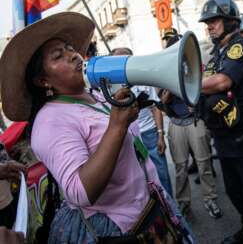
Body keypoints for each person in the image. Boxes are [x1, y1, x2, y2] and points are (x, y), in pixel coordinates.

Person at [0, 12, 195, 243]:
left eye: (70, 48)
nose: (72, 56)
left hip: (151, 205)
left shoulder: (96, 96)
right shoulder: (50, 120)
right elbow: (80, 192)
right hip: (121, 227)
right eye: (58, 56)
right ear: (43, 81)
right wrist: (117, 127)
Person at [199, 0, 243, 243]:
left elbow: (223, 81)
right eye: (207, 22)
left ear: (229, 21)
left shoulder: (240, 47)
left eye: (213, 21)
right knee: (234, 191)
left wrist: (187, 87)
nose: (209, 26)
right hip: (225, 137)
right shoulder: (218, 53)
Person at [158, 30, 222, 219]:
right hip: (176, 124)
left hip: (195, 122)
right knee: (180, 168)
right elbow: (162, 101)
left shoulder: (196, 66)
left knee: (204, 164)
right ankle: (184, 204)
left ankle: (210, 199)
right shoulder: (162, 70)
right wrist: (172, 83)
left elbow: (208, 91)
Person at [111, 47, 173, 196]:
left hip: (149, 134)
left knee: (162, 175)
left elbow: (155, 107)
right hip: (127, 138)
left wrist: (160, 135)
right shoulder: (109, 86)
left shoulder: (143, 80)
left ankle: (171, 210)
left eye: (125, 60)